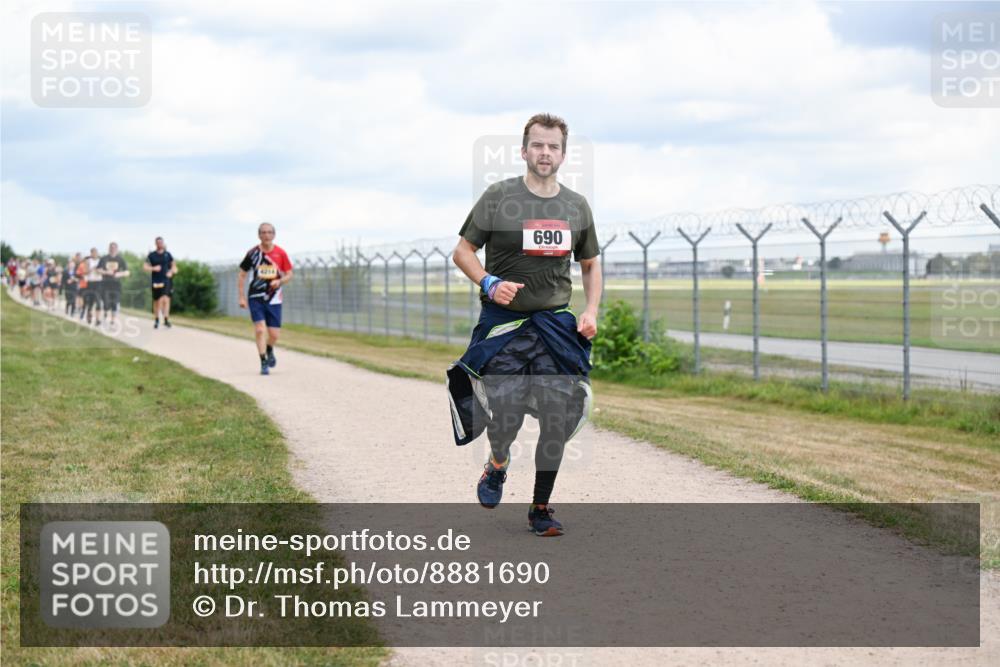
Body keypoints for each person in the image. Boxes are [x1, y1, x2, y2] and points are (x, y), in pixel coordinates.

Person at [448, 113, 601, 537]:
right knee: (506, 418)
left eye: (553, 146)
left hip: (553, 327)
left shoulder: (576, 206)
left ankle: (541, 508)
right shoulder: (498, 198)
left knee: (557, 417)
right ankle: (497, 464)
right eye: (537, 145)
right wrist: (489, 281)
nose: (545, 153)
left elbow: (590, 264)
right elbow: (463, 251)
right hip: (505, 327)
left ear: (564, 154)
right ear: (523, 150)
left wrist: (591, 311)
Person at [237, 222, 293, 375]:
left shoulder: (281, 253)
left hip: (274, 298)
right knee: (260, 329)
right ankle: (263, 362)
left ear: (274, 235)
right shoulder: (252, 253)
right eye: (263, 232)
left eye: (269, 232)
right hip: (255, 296)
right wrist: (242, 297)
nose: (266, 235)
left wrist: (279, 281)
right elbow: (242, 274)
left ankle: (269, 348)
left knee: (274, 335)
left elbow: (289, 274)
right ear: (259, 235)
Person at [144, 237, 177, 329]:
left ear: (163, 243)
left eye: (161, 242)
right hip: (156, 281)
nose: (160, 244)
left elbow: (174, 267)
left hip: (166, 281)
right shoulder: (151, 255)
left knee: (166, 299)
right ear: (156, 244)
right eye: (158, 242)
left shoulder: (168, 255)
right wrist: (153, 268)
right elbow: (145, 267)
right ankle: (157, 319)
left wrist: (171, 272)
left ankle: (166, 319)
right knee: (157, 301)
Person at [98, 242, 130, 326]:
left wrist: (120, 274)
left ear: (117, 249)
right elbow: (98, 270)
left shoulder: (120, 259)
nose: (112, 249)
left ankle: (112, 320)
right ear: (109, 248)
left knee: (115, 302)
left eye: (114, 247)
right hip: (105, 283)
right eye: (111, 247)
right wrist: (106, 272)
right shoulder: (104, 258)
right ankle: (105, 313)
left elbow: (127, 272)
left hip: (116, 284)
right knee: (106, 302)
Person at [80, 248, 102, 324]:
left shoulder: (101, 261)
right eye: (93, 252)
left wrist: (99, 270)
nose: (95, 254)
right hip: (90, 283)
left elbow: (103, 271)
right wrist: (92, 269)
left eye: (96, 252)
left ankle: (97, 319)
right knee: (90, 302)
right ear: (91, 253)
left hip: (98, 283)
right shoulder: (88, 261)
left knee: (98, 301)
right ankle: (89, 314)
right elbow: (85, 272)